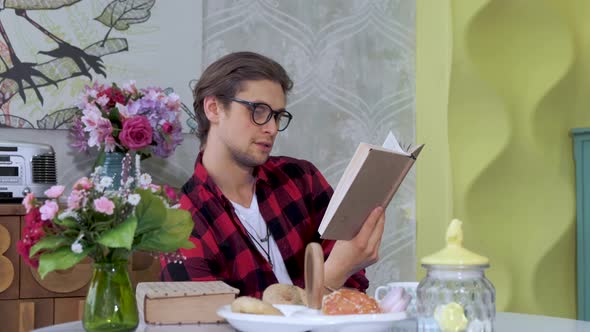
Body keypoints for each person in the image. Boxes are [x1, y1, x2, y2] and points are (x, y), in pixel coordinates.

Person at [160, 51, 386, 298]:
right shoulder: (180, 223)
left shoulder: (301, 179)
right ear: (214, 109)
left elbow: (352, 284)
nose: (272, 128)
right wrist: (332, 275)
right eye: (258, 111)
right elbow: (208, 321)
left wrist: (347, 265)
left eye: (277, 116)